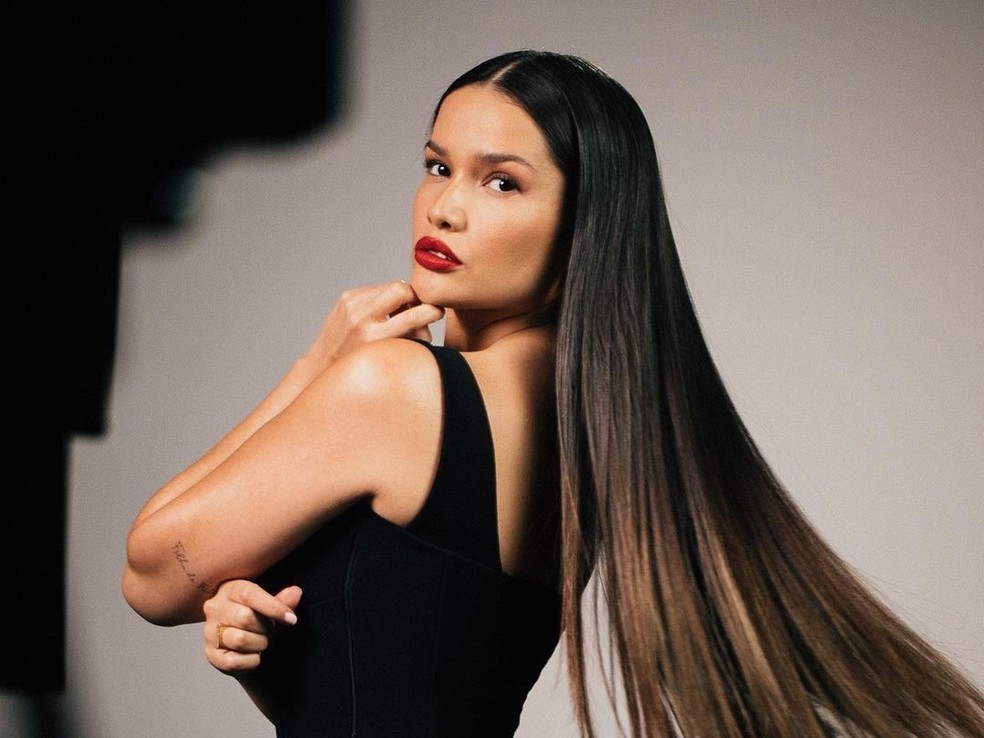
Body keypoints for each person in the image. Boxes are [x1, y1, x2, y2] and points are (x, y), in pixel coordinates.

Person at [122, 50, 984, 738]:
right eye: (437, 165)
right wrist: (282, 663)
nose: (444, 208)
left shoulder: (397, 387)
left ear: (583, 226)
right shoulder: (594, 433)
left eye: (501, 181)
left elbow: (152, 574)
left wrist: (318, 363)